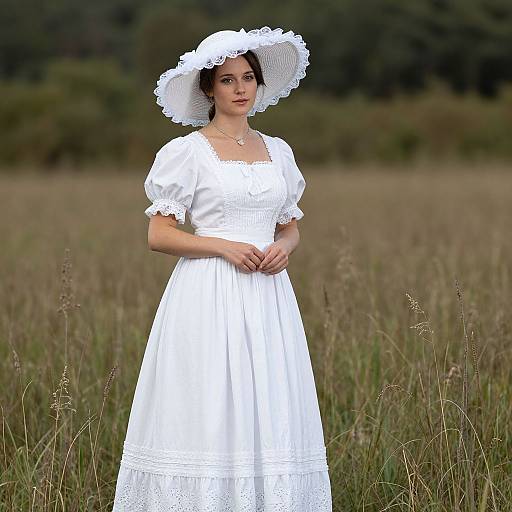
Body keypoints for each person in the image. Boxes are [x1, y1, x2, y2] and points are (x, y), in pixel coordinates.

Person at [111, 26, 333, 511]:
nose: (240, 88)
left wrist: (285, 247)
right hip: (208, 292)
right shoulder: (186, 153)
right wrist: (223, 248)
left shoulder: (278, 151)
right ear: (209, 89)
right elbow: (159, 234)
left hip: (269, 295)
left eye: (248, 78)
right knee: (210, 399)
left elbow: (290, 226)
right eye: (228, 80)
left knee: (268, 400)